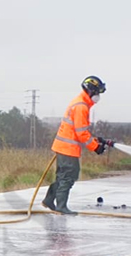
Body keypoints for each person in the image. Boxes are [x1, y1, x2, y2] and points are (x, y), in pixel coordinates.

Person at [41, 76, 114, 215]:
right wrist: (96, 147)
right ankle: (61, 206)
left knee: (62, 176)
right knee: (69, 176)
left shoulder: (79, 103)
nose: (98, 96)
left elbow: (79, 130)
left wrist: (96, 140)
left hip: (63, 147)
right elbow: (81, 133)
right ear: (90, 90)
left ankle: (49, 200)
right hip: (69, 149)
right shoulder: (81, 107)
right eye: (97, 93)